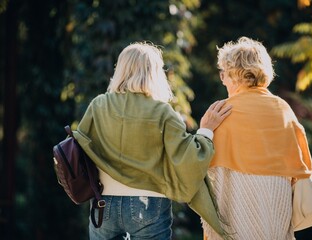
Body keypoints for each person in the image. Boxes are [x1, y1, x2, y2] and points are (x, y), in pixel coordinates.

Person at [72, 42, 232, 240]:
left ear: (120, 69)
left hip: (104, 203)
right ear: (155, 73)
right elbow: (187, 158)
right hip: (149, 204)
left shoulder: (98, 105)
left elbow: (79, 149)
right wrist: (206, 131)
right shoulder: (162, 111)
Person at [201, 37, 312, 240]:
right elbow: (302, 163)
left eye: (224, 74)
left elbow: (200, 164)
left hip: (236, 211)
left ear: (235, 75)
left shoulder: (220, 112)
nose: (223, 79)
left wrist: (204, 130)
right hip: (275, 206)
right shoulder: (282, 109)